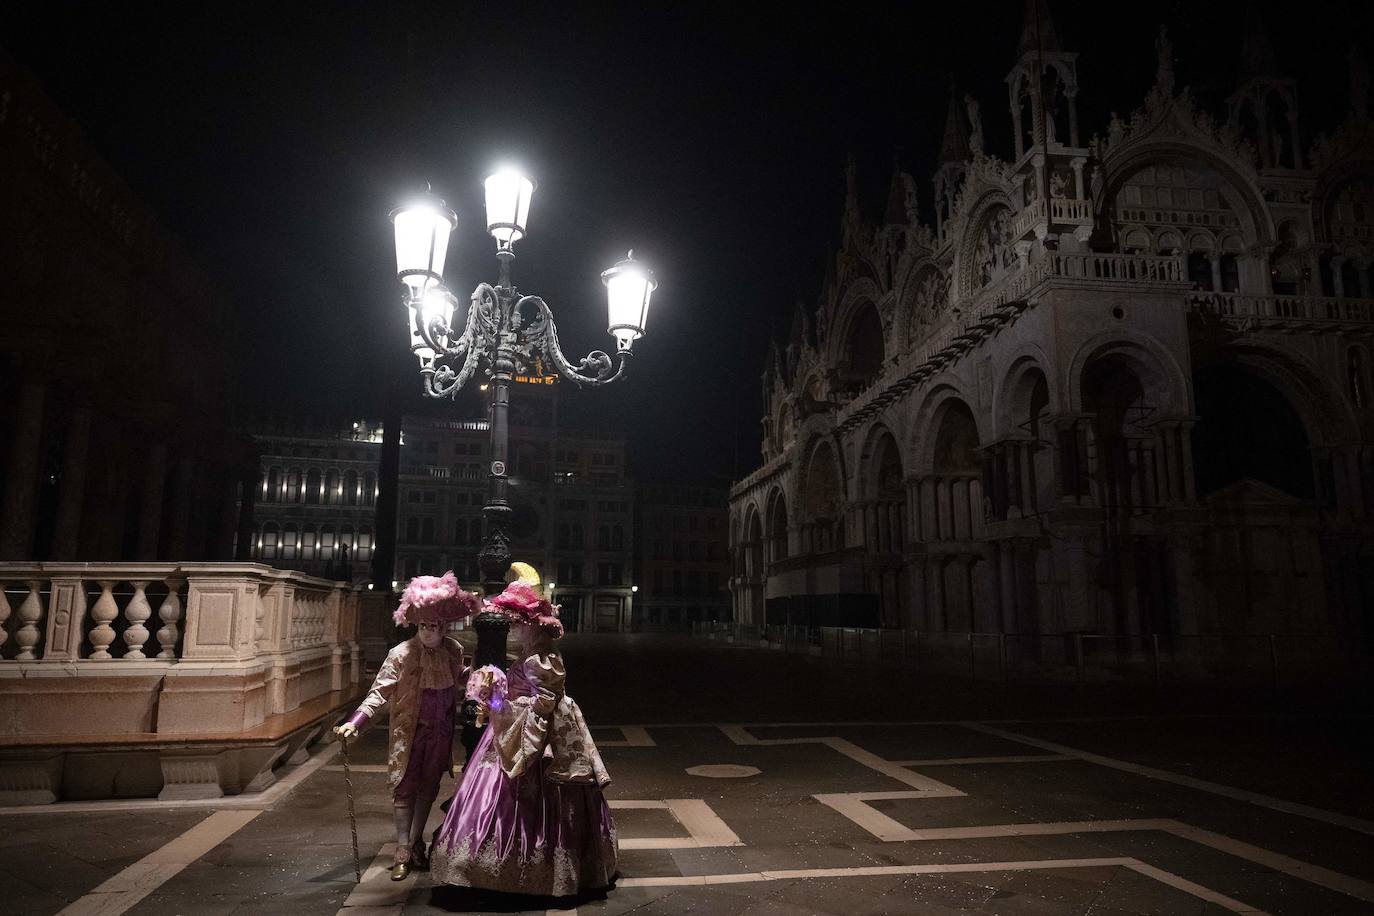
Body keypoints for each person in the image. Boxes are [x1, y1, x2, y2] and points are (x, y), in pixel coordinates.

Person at [430, 581, 618, 898]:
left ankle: (524, 866)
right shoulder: (535, 654)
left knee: (529, 795)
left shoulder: (537, 659)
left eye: (517, 624)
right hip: (529, 727)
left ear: (531, 625)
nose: (513, 630)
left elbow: (542, 704)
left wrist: (498, 705)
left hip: (538, 736)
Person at [334, 571, 479, 880]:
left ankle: (414, 844)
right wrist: (354, 723)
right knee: (405, 787)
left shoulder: (453, 650)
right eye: (424, 625)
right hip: (409, 732)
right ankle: (402, 848)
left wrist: (481, 678)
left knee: (429, 787)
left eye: (435, 626)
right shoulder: (400, 654)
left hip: (440, 733)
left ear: (443, 627)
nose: (429, 631)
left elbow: (462, 678)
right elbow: (379, 692)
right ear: (417, 625)